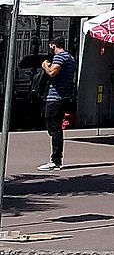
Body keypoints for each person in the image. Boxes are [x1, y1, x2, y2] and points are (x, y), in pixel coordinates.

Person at [36, 39, 76, 172]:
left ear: (53, 45)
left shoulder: (60, 57)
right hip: (64, 96)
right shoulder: (70, 57)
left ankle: (55, 161)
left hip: (55, 98)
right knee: (56, 128)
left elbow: (52, 72)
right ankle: (56, 159)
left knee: (54, 129)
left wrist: (45, 66)